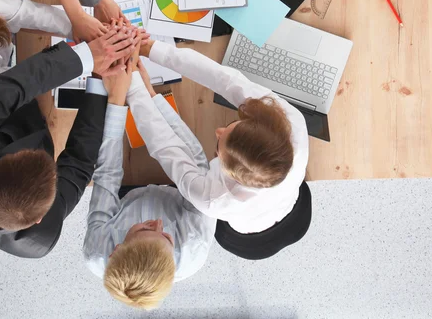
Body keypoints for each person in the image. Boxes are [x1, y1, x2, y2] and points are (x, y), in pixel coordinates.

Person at [0, 27, 135, 258]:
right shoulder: (41, 237)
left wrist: (89, 57)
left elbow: (10, 88)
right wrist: (99, 82)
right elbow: (79, 164)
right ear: (40, 218)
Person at [126, 40, 311, 260]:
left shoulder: (211, 199)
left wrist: (136, 87)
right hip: (296, 208)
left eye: (218, 149)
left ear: (229, 172)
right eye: (233, 127)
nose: (218, 131)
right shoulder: (292, 125)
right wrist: (154, 49)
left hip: (247, 240)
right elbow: (225, 79)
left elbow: (166, 146)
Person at [83, 57, 216, 310]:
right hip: (179, 190)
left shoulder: (96, 251)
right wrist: (154, 97)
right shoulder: (194, 244)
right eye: (167, 236)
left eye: (146, 229)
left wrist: (117, 100)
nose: (159, 223)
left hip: (126, 195)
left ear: (115, 250)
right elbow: (197, 163)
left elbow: (107, 177)